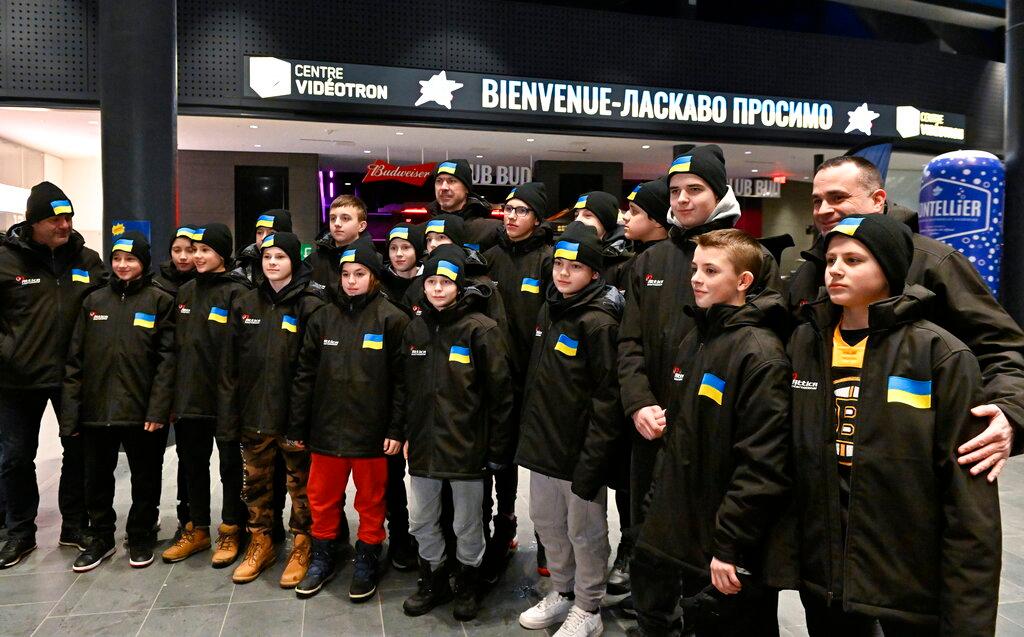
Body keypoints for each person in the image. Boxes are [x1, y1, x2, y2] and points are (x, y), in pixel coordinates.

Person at [783, 214, 1000, 636]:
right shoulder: (806, 343)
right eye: (830, 260)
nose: (836, 270)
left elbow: (969, 501)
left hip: (907, 570)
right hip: (825, 570)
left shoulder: (940, 353)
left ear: (889, 267)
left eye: (854, 259)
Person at [618, 146, 780, 629]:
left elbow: (761, 338)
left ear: (719, 192)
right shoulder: (650, 260)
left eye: (695, 190)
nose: (683, 200)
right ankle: (653, 620)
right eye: (675, 191)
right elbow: (628, 344)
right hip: (653, 432)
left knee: (710, 567)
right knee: (647, 546)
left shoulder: (751, 254)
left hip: (714, 440)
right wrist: (639, 402)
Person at [787, 155, 1024, 481]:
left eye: (838, 197)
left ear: (878, 200)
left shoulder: (933, 261)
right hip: (824, 468)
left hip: (912, 465)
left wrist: (1011, 411)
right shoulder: (810, 270)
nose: (824, 210)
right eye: (817, 200)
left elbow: (1001, 345)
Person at [634, 229, 791, 637]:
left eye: (710, 270)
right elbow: (679, 435)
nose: (696, 279)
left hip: (724, 543)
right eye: (694, 269)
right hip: (685, 528)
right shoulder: (697, 338)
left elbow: (761, 464)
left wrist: (730, 547)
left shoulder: (760, 353)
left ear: (744, 282)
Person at [515, 221, 623, 637]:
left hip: (580, 453)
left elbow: (607, 399)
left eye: (574, 267)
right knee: (547, 523)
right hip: (543, 446)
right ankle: (562, 591)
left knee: (585, 531)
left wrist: (594, 458)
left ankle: (588, 606)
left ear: (594, 274)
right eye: (559, 263)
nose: (563, 273)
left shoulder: (599, 323)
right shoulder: (549, 307)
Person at [289, 238, 410, 601]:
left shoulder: (393, 319)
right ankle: (323, 556)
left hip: (371, 434)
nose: (352, 281)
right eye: (345, 274)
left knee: (371, 501)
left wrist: (395, 428)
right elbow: (305, 374)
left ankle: (368, 558)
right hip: (325, 430)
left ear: (373, 276)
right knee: (321, 499)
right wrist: (297, 425)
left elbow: (404, 383)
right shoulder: (323, 317)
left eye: (360, 274)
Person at [400, 245, 514, 621]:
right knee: (422, 519)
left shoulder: (481, 330)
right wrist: (402, 433)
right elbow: (403, 389)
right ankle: (432, 575)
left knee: (467, 524)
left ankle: (468, 579)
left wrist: (496, 448)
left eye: (445, 282)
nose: (437, 289)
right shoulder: (415, 329)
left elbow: (501, 396)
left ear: (459, 286)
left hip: (467, 449)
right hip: (422, 448)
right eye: (431, 281)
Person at [0, 182, 107, 569]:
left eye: (68, 217)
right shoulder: (6, 261)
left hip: (73, 379)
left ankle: (75, 525)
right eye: (55, 219)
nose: (64, 225)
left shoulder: (88, 260)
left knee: (78, 454)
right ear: (33, 222)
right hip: (16, 380)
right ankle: (19, 532)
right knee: (15, 457)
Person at [60, 232, 175, 571]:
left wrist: (158, 408)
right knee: (96, 479)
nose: (123, 265)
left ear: (144, 262)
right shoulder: (93, 302)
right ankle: (101, 537)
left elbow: (167, 362)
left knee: (145, 477)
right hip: (96, 411)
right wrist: (71, 415)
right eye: (118, 259)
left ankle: (140, 535)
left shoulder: (159, 301)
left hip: (141, 412)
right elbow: (75, 362)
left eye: (131, 259)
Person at [220, 231, 325, 587]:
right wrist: (232, 415)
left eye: (280, 256)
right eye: (267, 257)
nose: (272, 263)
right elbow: (230, 366)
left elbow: (312, 371)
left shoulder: (311, 305)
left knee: (302, 489)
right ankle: (261, 542)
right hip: (254, 417)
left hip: (295, 420)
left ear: (294, 261)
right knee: (258, 486)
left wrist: (300, 422)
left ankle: (302, 544)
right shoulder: (245, 303)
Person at [162, 223, 253, 567]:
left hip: (226, 397)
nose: (197, 257)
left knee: (231, 467)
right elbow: (173, 349)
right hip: (189, 397)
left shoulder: (238, 293)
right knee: (192, 465)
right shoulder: (184, 293)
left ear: (222, 255)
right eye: (194, 250)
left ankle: (232, 529)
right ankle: (196, 528)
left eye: (205, 251)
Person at [480, 182, 554, 582]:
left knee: (541, 463)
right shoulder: (488, 259)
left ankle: (546, 538)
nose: (511, 216)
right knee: (500, 458)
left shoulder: (548, 261)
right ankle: (504, 524)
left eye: (522, 210)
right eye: (508, 208)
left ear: (537, 218)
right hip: (494, 378)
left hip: (535, 377)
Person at [605, 177, 672, 601]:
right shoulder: (629, 261)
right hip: (633, 395)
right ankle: (630, 552)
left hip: (668, 398)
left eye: (636, 212)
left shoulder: (672, 262)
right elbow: (627, 338)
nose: (625, 218)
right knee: (627, 483)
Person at [426, 159, 502, 252]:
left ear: (466, 188)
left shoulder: (491, 231)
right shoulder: (423, 230)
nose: (444, 187)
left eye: (452, 181)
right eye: (439, 181)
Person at [570, 191, 633, 291]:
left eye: (587, 215)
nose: (578, 220)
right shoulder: (568, 253)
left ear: (606, 221)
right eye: (576, 215)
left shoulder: (624, 264)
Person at [307, 195, 367, 289]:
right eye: (333, 218)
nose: (337, 224)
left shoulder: (374, 261)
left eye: (345, 218)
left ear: (361, 226)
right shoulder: (313, 261)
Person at [231, 208, 293, 286]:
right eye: (259, 232)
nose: (263, 238)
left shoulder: (300, 270)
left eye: (272, 233)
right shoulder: (242, 267)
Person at [381, 221, 425, 305]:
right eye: (393, 248)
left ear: (417, 250)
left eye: (405, 247)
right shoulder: (380, 283)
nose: (399, 254)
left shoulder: (430, 279)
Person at [154, 225, 197, 293]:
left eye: (190, 251)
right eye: (177, 250)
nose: (183, 257)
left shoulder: (208, 285)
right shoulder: (157, 285)